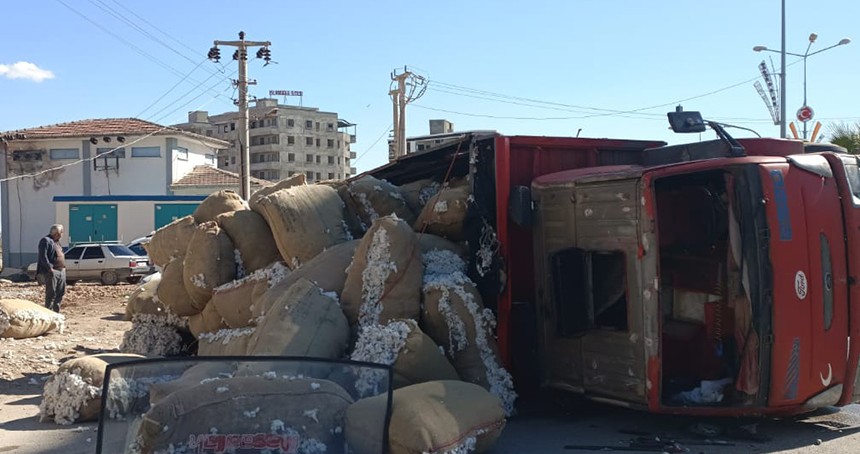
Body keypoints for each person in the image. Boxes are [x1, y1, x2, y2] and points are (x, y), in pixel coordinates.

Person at [37, 224, 66, 312]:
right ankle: (49, 313)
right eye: (61, 232)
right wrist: (50, 268)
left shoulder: (57, 242)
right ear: (57, 233)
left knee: (60, 293)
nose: (62, 234)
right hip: (52, 271)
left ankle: (56, 313)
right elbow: (43, 256)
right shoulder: (46, 241)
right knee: (51, 294)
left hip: (61, 271)